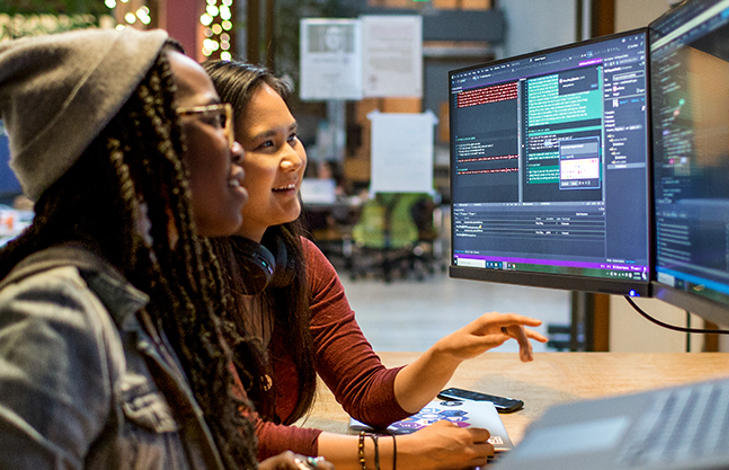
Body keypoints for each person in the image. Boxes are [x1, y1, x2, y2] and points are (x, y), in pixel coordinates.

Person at [0, 28, 332, 470]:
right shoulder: (55, 315)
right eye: (214, 119)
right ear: (139, 150)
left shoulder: (154, 298)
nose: (237, 149)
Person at [204, 59, 548, 469]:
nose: (293, 159)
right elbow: (240, 435)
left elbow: (367, 395)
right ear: (214, 165)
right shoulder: (183, 280)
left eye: (292, 138)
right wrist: (397, 455)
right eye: (267, 145)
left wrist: (445, 354)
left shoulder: (300, 264)